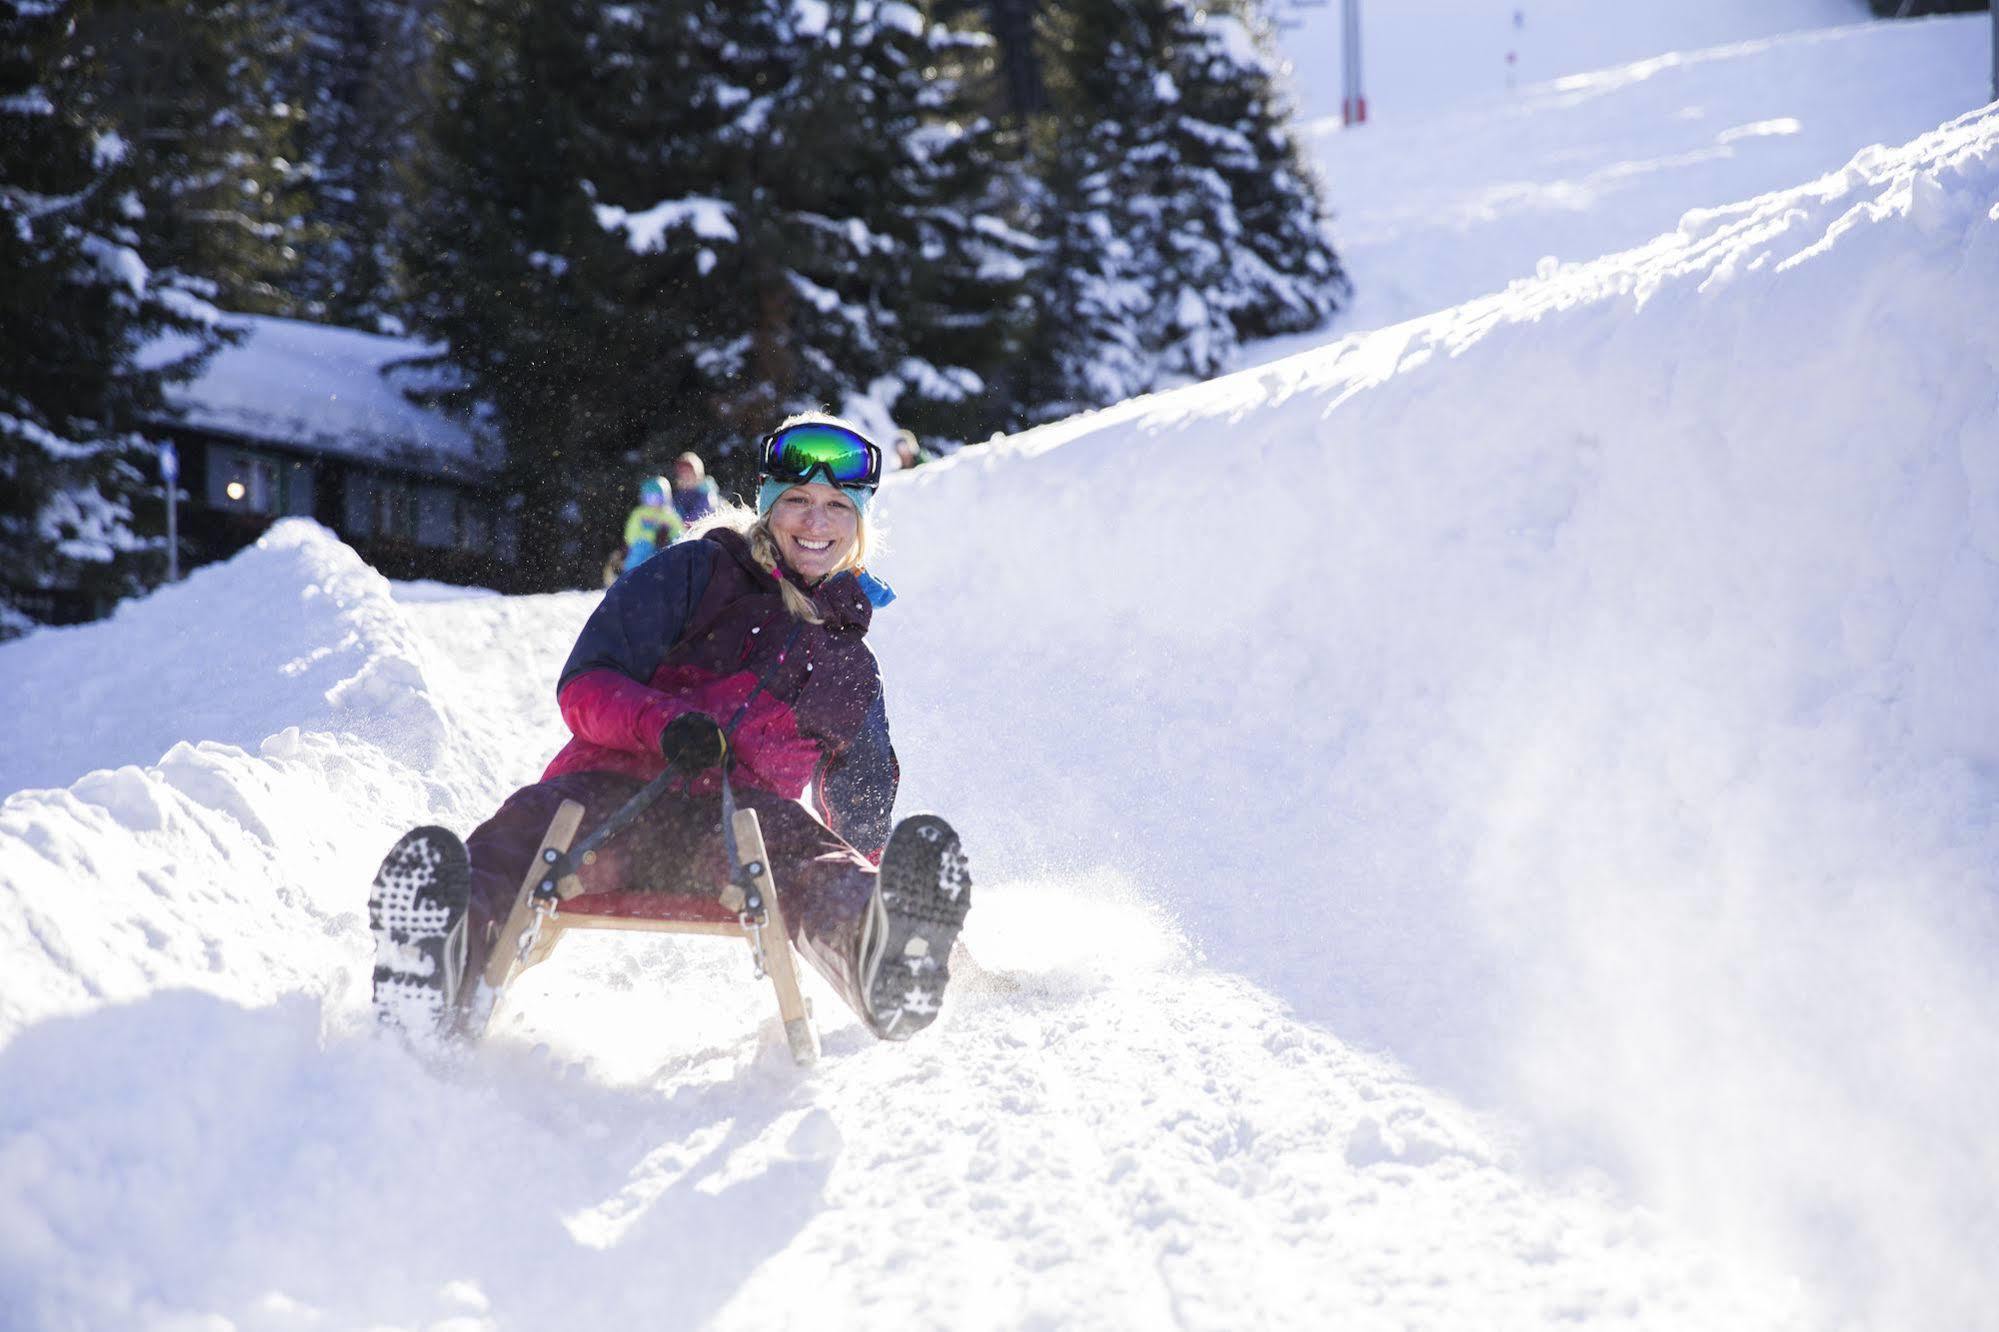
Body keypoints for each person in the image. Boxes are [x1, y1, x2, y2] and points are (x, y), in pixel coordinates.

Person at [367, 414, 970, 1045]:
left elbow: (863, 796)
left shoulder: (850, 667)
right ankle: (436, 959)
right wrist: (666, 723)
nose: (815, 523)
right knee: (524, 834)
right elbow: (585, 684)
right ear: (767, 505)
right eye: (796, 501)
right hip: (609, 797)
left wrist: (879, 889)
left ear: (859, 524)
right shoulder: (697, 573)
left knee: (810, 863)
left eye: (835, 507)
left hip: (738, 832)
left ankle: (883, 952)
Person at [619, 475, 684, 575]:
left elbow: (680, 532)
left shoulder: (670, 515)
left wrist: (673, 539)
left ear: (665, 497)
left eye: (657, 498)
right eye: (650, 498)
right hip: (642, 545)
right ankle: (629, 575)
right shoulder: (640, 513)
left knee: (667, 558)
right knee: (638, 554)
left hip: (663, 547)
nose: (654, 502)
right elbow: (631, 531)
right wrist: (637, 541)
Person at [670, 451, 720, 528]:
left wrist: (679, 525)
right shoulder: (680, 496)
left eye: (689, 473)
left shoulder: (706, 495)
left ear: (697, 474)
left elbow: (699, 516)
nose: (685, 477)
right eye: (682, 473)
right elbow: (671, 513)